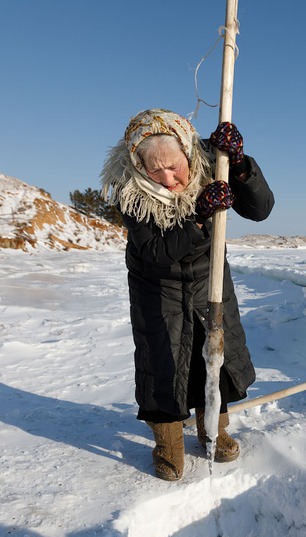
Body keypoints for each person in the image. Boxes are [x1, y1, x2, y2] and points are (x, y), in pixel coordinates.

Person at [100, 108, 275, 481]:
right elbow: (155, 254)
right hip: (156, 289)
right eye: (155, 170)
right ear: (138, 165)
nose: (168, 179)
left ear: (188, 154)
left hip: (208, 281)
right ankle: (168, 444)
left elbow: (260, 209)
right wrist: (198, 214)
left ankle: (215, 429)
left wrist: (241, 165)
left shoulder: (214, 162)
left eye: (175, 166)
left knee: (214, 358)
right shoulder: (132, 193)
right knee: (164, 363)